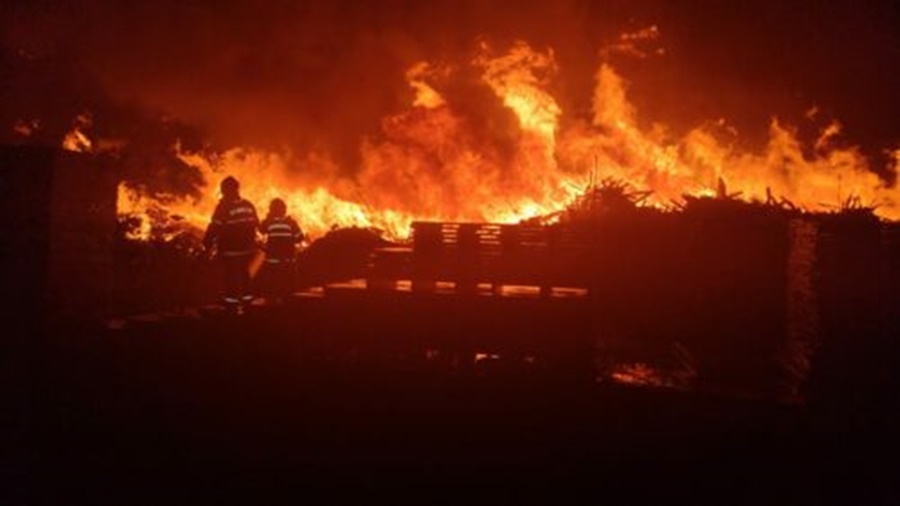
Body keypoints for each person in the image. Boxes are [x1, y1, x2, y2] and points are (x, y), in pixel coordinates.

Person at [203, 176, 259, 313]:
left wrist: (207, 242)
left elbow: (215, 226)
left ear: (226, 190)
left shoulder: (224, 207)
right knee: (244, 273)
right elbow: (256, 223)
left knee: (230, 276)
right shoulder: (248, 205)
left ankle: (231, 304)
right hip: (247, 249)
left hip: (231, 248)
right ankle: (247, 300)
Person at [258, 198, 304, 304]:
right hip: (288, 261)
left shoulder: (268, 222)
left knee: (272, 287)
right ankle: (288, 305)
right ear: (284, 210)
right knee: (288, 287)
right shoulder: (291, 223)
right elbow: (300, 237)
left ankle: (272, 306)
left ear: (272, 210)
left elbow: (260, 231)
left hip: (273, 262)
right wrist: (290, 240)